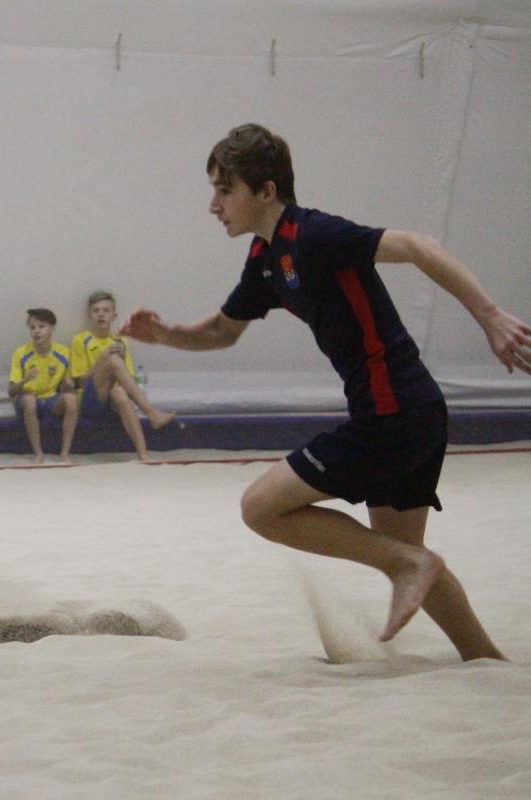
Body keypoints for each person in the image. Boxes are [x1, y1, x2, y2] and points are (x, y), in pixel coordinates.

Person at [123, 123, 531, 659]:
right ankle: (486, 660)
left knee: (261, 508)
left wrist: (490, 317)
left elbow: (419, 246)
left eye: (225, 190)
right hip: (413, 411)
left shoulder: (314, 234)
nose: (213, 205)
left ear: (265, 191)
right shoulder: (266, 257)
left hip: (394, 412)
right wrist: (166, 335)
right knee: (406, 552)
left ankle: (408, 568)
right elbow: (222, 331)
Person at [70, 290, 177, 462]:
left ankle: (143, 453)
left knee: (120, 393)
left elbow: (130, 379)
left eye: (106, 311)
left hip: (112, 401)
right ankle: (151, 412)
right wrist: (103, 360)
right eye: (96, 311)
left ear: (114, 316)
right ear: (90, 315)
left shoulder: (121, 341)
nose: (101, 315)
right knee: (112, 360)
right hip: (91, 401)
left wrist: (118, 377)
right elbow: (80, 382)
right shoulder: (80, 340)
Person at [8, 308, 79, 464]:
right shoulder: (21, 353)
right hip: (29, 399)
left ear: (52, 329)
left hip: (52, 400)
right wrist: (24, 380)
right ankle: (38, 453)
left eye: (41, 326)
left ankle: (65, 453)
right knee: (30, 401)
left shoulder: (64, 352)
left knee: (71, 399)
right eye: (33, 327)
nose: (37, 331)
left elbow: (68, 386)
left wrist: (69, 385)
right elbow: (11, 391)